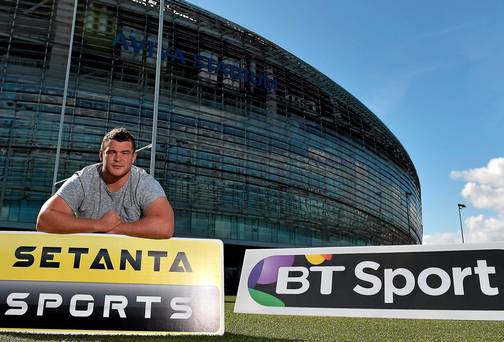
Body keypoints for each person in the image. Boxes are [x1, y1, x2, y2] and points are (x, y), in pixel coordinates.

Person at [37, 127, 174, 239]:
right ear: (101, 154)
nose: (118, 158)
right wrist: (99, 225)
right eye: (111, 152)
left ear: (133, 158)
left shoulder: (143, 182)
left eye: (125, 153)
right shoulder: (84, 178)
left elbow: (165, 226)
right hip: (85, 257)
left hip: (128, 260)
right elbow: (45, 219)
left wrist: (114, 228)